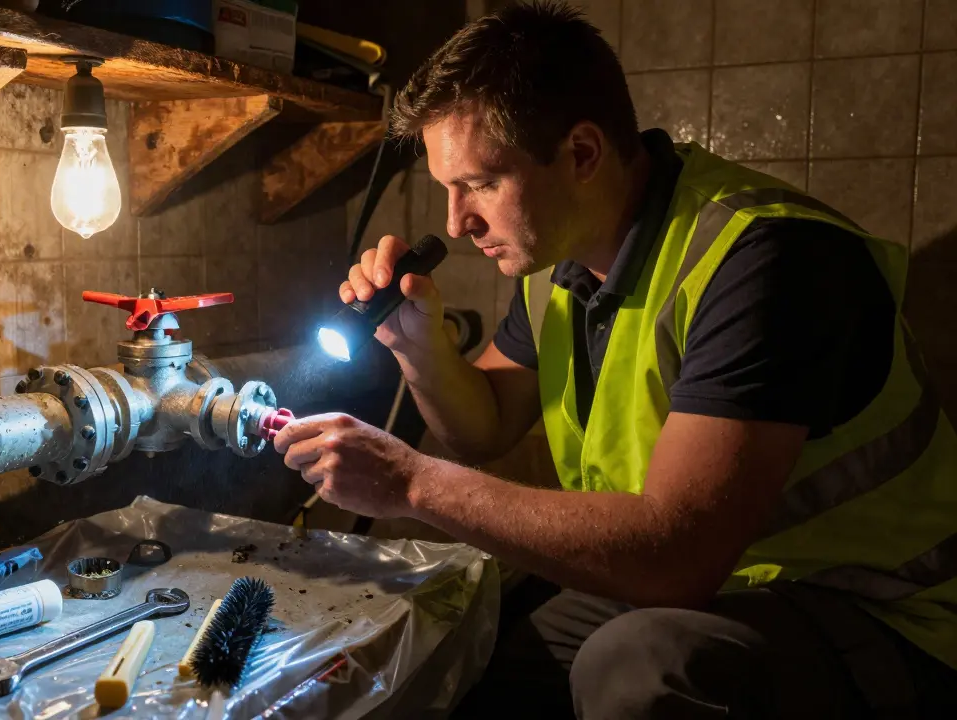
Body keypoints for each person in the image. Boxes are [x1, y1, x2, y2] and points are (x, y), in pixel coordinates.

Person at [272, 3, 957, 718]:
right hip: (710, 586)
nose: (457, 221)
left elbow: (676, 558)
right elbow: (484, 426)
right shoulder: (560, 263)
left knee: (637, 666)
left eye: (480, 184)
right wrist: (417, 344)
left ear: (582, 153)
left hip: (878, 612)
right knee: (468, 650)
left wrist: (410, 483)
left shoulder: (765, 261)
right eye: (448, 189)